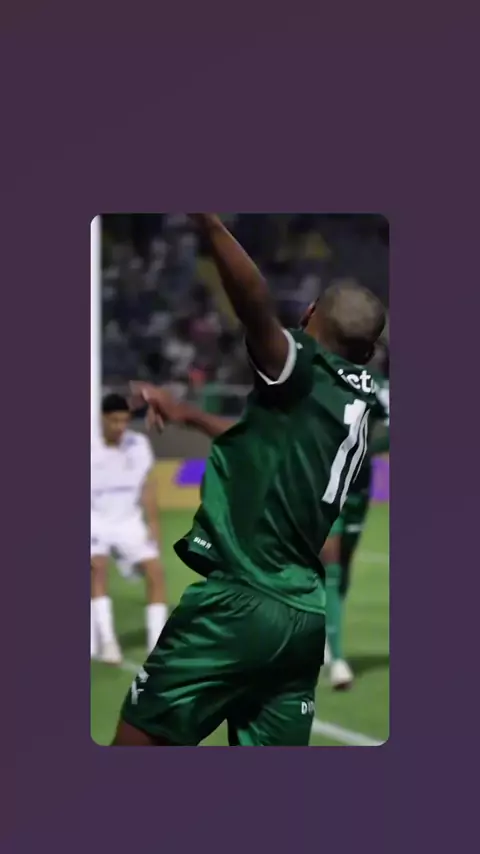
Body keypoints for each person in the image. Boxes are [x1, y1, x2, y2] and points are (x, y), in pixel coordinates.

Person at [112, 213, 385, 746]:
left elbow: (255, 307)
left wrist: (209, 224)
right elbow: (263, 443)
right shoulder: (356, 399)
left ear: (308, 315)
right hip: (301, 619)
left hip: (239, 602)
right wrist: (190, 415)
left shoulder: (302, 367)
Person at [321, 347, 390, 689]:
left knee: (344, 566)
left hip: (360, 488)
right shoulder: (318, 379)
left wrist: (364, 450)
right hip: (325, 487)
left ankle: (326, 634)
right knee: (331, 568)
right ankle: (337, 660)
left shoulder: (377, 386)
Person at [91, 393, 167, 664]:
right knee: (97, 568)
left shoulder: (139, 444)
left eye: (124, 421)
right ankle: (108, 643)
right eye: (114, 421)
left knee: (155, 572)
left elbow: (147, 485)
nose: (120, 427)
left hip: (129, 520)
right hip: (96, 519)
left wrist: (153, 522)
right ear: (103, 419)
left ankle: (156, 644)